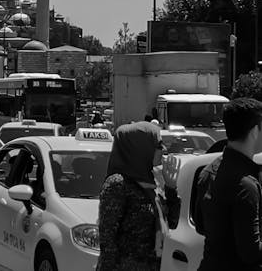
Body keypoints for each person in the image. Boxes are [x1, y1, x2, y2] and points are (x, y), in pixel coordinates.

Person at [96, 121, 181, 271]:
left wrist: (171, 188)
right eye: (158, 145)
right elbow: (107, 239)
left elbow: (172, 224)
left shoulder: (153, 181)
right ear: (140, 149)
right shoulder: (118, 184)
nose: (164, 149)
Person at [194, 97, 262, 271]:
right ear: (255, 131)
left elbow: (201, 225)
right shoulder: (245, 185)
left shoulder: (206, 172)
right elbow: (251, 253)